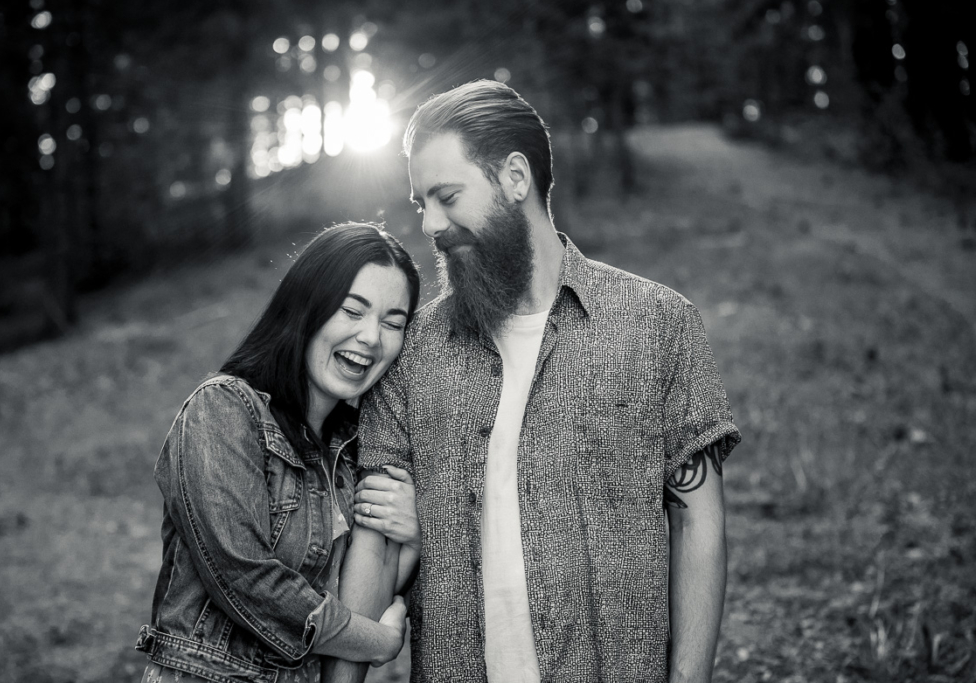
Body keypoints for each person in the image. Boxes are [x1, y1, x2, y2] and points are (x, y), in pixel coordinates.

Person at [334, 81, 742, 683]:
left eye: (447, 196)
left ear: (515, 178)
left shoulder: (657, 323)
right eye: (421, 203)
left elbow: (697, 521)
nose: (431, 224)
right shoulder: (413, 352)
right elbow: (377, 536)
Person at [134, 223, 424, 683]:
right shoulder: (224, 409)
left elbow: (363, 586)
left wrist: (411, 534)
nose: (372, 337)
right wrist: (377, 642)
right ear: (306, 307)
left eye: (393, 322)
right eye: (353, 310)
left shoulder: (352, 452)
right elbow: (245, 579)